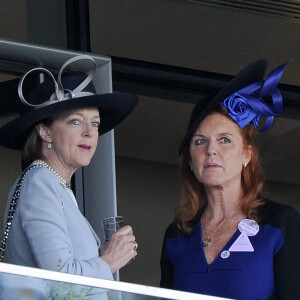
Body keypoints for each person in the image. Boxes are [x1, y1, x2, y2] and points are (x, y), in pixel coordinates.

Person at [160, 59, 300, 300]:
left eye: (224, 139)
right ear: (191, 162)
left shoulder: (279, 223)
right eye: (200, 141)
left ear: (246, 154)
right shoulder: (177, 236)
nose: (211, 150)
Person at [0, 55, 139, 282]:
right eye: (75, 121)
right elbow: (62, 278)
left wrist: (101, 255)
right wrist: (110, 260)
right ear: (45, 132)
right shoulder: (40, 182)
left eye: (94, 123)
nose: (89, 132)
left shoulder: (57, 185)